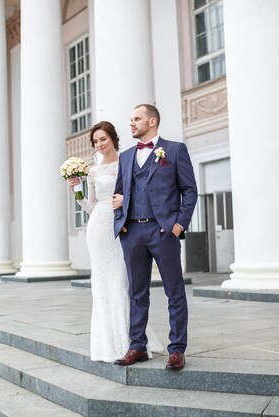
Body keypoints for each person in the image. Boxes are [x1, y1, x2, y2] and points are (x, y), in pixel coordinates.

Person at [112, 104, 198, 371]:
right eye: (130, 119)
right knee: (137, 293)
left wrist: (178, 225)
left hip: (163, 231)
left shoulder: (173, 150)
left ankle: (177, 349)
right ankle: (137, 346)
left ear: (152, 121)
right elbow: (117, 195)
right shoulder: (126, 156)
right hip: (133, 232)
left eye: (136, 118)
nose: (131, 123)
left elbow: (189, 190)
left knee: (174, 291)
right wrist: (121, 223)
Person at [69, 121, 162, 363]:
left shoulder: (127, 163)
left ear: (113, 138)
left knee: (122, 282)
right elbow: (91, 206)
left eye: (103, 139)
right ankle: (107, 343)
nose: (99, 144)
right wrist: (76, 192)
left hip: (123, 226)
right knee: (102, 285)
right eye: (96, 141)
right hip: (98, 227)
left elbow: (139, 194)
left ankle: (132, 341)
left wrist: (125, 203)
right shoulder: (92, 171)